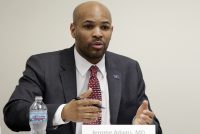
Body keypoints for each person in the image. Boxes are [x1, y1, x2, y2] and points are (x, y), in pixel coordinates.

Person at [3, 1, 162, 134]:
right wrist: (63, 113)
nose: (98, 33)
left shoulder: (129, 68)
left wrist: (141, 126)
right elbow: (14, 114)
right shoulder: (43, 65)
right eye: (88, 26)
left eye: (105, 27)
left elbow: (154, 125)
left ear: (111, 31)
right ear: (73, 30)